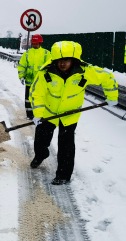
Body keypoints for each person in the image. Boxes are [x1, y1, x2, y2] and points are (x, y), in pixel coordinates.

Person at [30, 41, 118, 185]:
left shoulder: (85, 72)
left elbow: (107, 78)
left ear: (74, 60)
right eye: (59, 61)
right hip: (48, 112)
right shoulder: (45, 73)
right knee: (41, 139)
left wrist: (112, 96)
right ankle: (41, 154)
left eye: (66, 60)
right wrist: (38, 113)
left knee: (66, 145)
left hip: (70, 115)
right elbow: (36, 93)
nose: (62, 64)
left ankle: (63, 175)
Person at [17, 34, 51, 119]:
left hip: (41, 82)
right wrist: (21, 76)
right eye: (34, 43)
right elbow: (22, 65)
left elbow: (50, 67)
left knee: (39, 99)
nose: (35, 45)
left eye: (37, 43)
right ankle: (29, 115)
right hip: (29, 81)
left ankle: (39, 115)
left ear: (40, 43)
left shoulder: (46, 53)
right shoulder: (27, 53)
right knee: (28, 99)